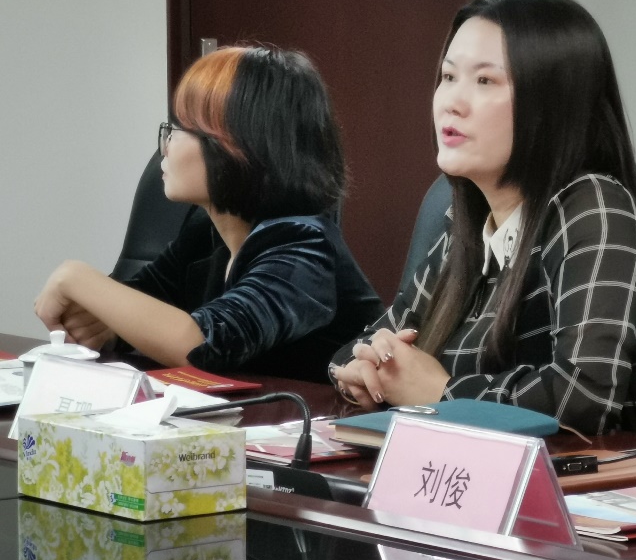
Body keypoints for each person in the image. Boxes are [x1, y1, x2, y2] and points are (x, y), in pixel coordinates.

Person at [329, 0, 636, 438]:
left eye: (485, 81)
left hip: (615, 477)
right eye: (448, 76)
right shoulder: (468, 225)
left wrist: (441, 392)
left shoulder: (595, 208)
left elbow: (583, 398)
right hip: (480, 470)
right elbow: (359, 347)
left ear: (552, 102)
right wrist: (362, 374)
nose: (451, 101)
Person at [33, 46, 383, 382]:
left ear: (240, 146)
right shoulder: (206, 233)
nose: (165, 146)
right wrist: (107, 325)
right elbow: (142, 301)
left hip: (331, 423)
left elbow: (204, 347)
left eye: (178, 129)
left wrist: (76, 277)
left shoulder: (304, 245)